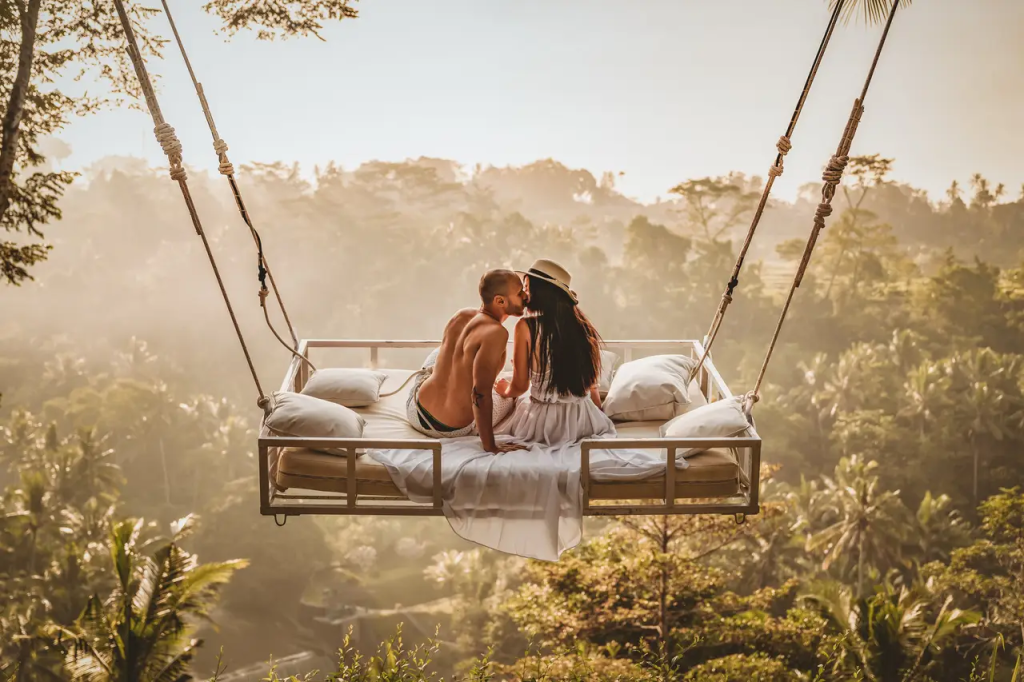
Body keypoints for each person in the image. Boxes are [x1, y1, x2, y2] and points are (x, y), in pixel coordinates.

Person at [406, 268, 529, 454]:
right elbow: (480, 394)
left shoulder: (461, 315)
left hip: (416, 411)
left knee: (441, 353)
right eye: (520, 293)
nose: (526, 295)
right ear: (500, 301)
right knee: (511, 396)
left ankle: (431, 373)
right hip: (451, 430)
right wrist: (490, 446)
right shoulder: (497, 333)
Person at [495, 259, 615, 445]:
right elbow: (591, 384)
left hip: (545, 423)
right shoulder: (582, 327)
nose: (525, 296)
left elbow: (520, 386)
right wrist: (598, 414)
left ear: (541, 292)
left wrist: (505, 390)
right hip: (582, 418)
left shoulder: (526, 327)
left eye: (527, 288)